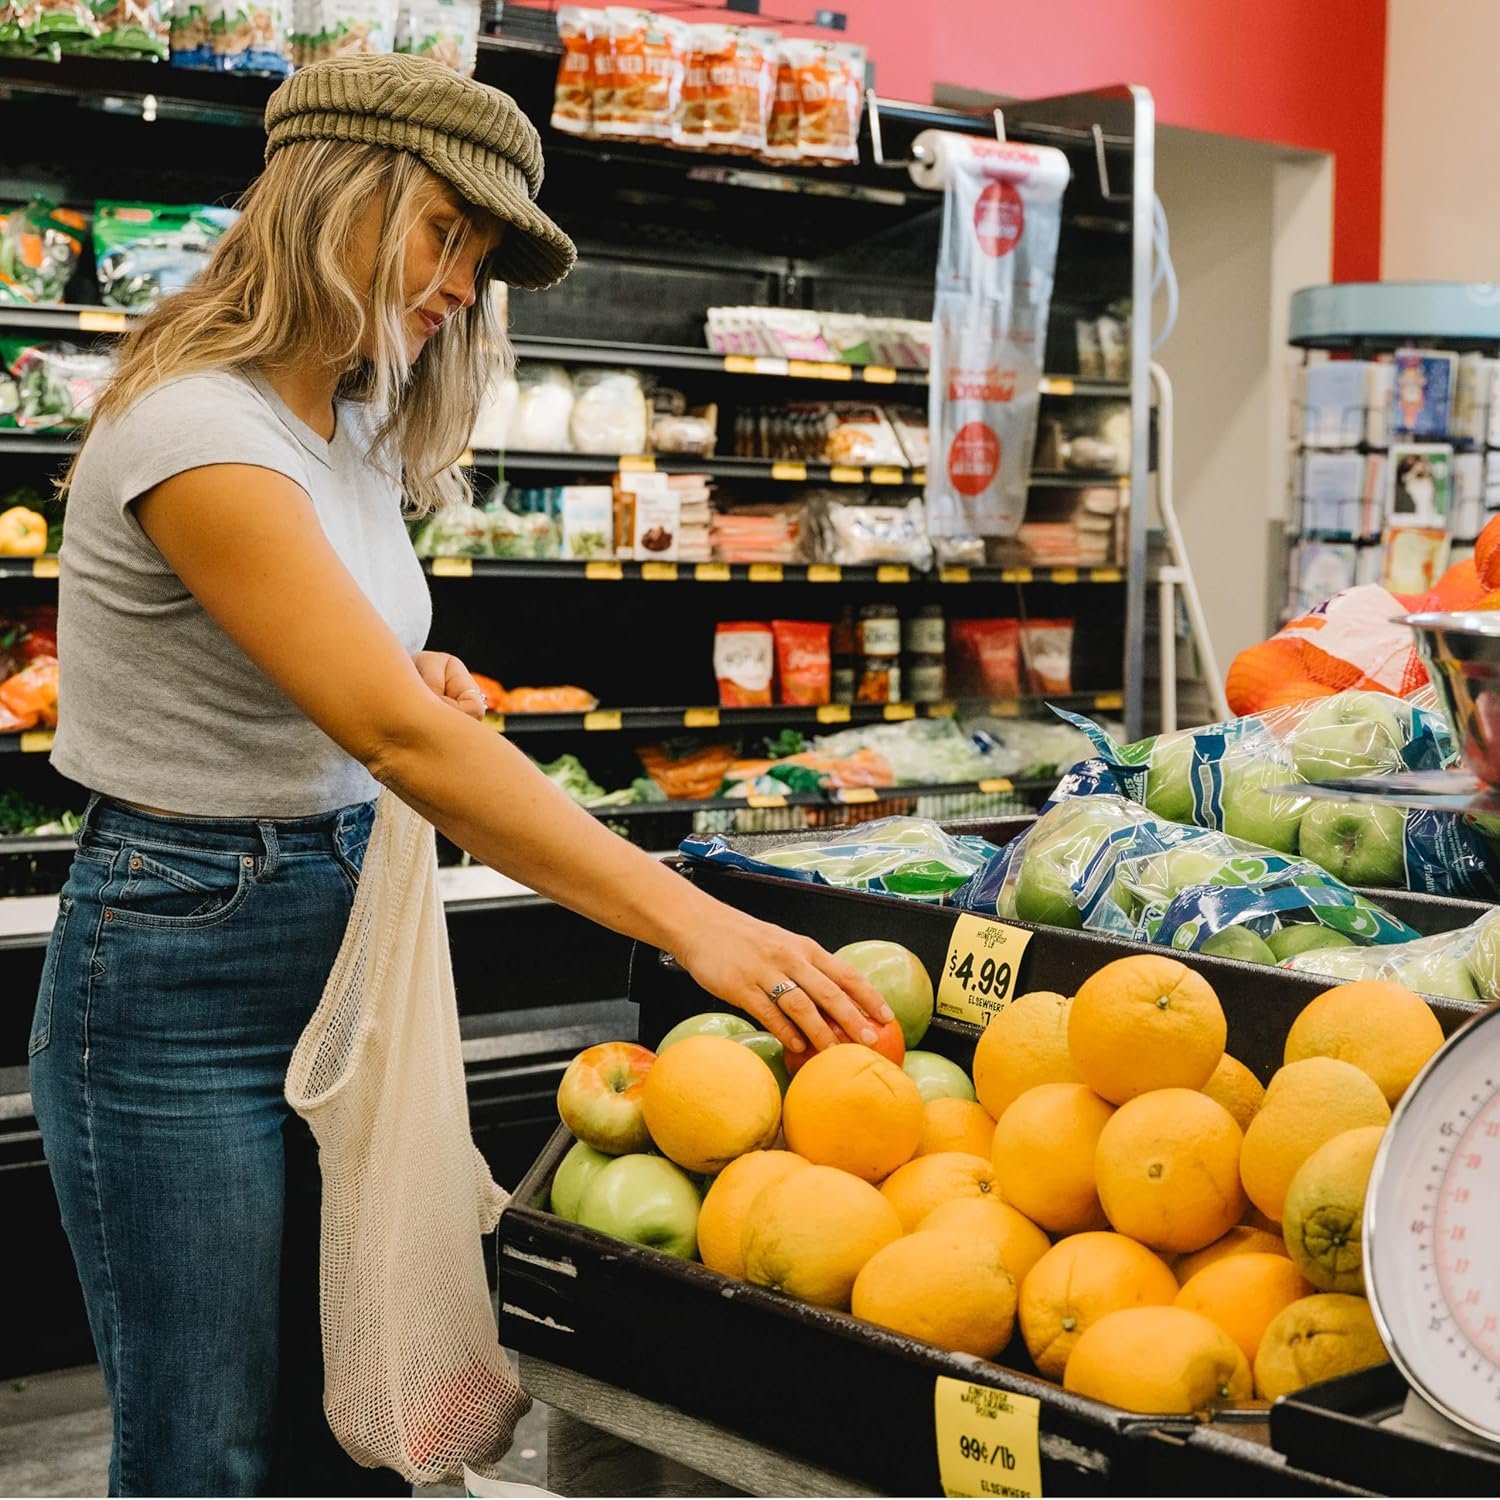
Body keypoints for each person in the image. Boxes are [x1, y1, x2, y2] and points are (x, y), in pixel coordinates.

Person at [27, 53, 891, 1498]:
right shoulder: (199, 431)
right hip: (176, 961)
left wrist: (397, 669)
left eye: (478, 258)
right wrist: (690, 918)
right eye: (445, 232)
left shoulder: (345, 422)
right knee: (205, 1448)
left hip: (336, 923)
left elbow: (361, 691)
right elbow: (402, 744)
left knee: (350, 1417)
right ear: (339, 200)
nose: (458, 284)